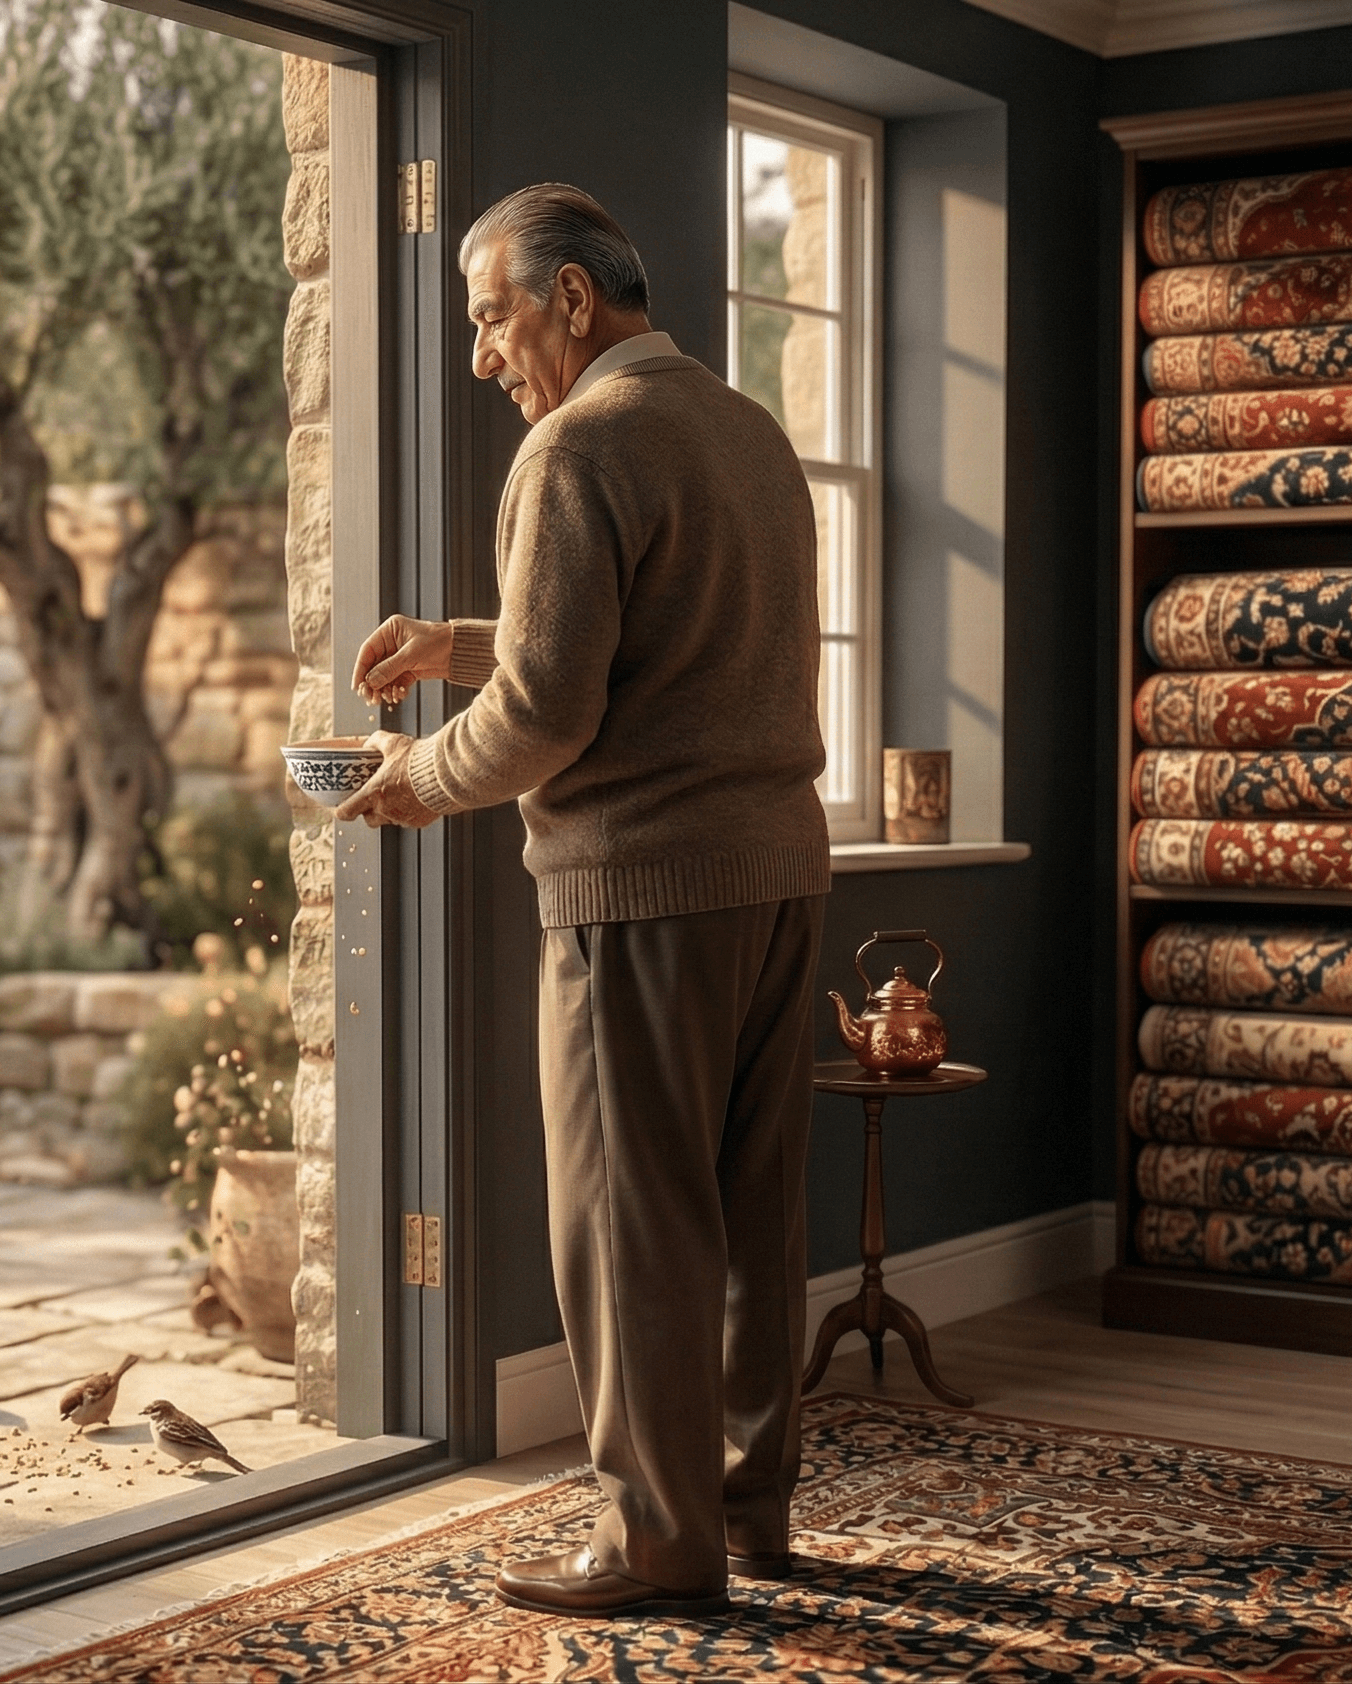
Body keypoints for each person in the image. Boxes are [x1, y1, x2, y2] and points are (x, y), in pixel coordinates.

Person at [336, 182, 828, 1619]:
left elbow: (552, 713)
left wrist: (419, 775)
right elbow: (671, 632)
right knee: (750, 1218)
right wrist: (459, 639)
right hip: (780, 878)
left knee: (628, 1226)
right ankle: (748, 1510)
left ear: (569, 300)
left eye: (492, 315)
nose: (482, 354)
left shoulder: (574, 447)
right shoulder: (747, 432)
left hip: (643, 893)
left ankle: (652, 1548)